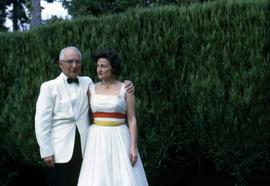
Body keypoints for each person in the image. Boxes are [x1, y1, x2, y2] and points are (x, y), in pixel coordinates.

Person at [35, 46, 134, 186]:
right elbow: (41, 122)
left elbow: (108, 92)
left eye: (78, 61)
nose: (74, 65)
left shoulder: (87, 82)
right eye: (70, 61)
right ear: (60, 64)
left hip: (86, 148)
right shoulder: (48, 87)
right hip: (59, 151)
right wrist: (46, 151)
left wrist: (128, 84)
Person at [77, 49, 148, 186]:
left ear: (113, 68)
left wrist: (133, 146)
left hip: (120, 137)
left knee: (122, 175)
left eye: (103, 66)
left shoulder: (126, 89)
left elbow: (132, 119)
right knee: (98, 175)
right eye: (98, 66)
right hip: (97, 139)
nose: (99, 69)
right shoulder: (90, 88)